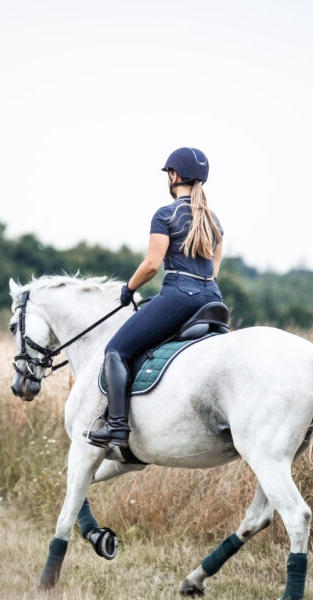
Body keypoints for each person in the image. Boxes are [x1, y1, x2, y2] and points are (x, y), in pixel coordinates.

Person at [86, 147, 224, 448]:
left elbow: (151, 264)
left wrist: (129, 288)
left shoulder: (165, 214)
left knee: (116, 351)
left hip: (179, 296)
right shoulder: (214, 221)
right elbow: (213, 270)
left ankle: (118, 428)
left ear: (174, 176)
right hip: (213, 300)